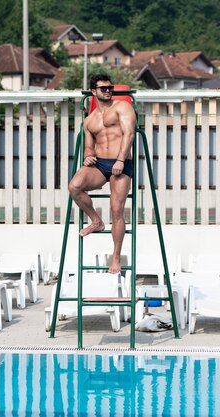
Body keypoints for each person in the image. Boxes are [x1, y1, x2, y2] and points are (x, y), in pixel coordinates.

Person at [68, 74, 136, 274]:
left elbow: (129, 134)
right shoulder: (89, 120)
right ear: (94, 92)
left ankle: (115, 258)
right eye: (103, 88)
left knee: (117, 210)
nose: (107, 91)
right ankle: (96, 221)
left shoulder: (122, 108)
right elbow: (89, 148)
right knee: (74, 186)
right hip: (100, 164)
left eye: (110, 87)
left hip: (121, 163)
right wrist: (88, 156)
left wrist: (121, 160)